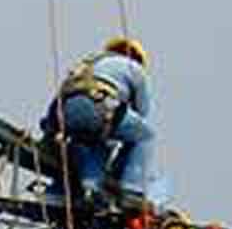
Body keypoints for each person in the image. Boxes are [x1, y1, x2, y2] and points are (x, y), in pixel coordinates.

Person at [39, 36, 158, 213]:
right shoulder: (135, 68)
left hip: (66, 112)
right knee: (145, 135)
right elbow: (142, 112)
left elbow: (58, 101)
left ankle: (91, 188)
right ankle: (131, 190)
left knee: (99, 143)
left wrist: (50, 132)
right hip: (99, 107)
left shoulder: (87, 65)